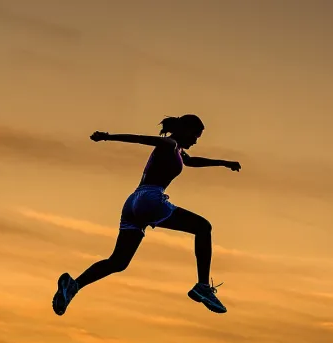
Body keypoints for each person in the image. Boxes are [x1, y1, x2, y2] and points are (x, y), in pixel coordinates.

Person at [52, 114, 241, 316]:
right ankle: (203, 286)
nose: (195, 140)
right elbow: (141, 139)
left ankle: (74, 285)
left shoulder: (177, 150)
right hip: (150, 199)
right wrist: (108, 136)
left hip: (133, 202)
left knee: (118, 262)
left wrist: (224, 162)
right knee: (203, 227)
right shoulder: (169, 143)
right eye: (195, 135)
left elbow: (192, 161)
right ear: (184, 129)